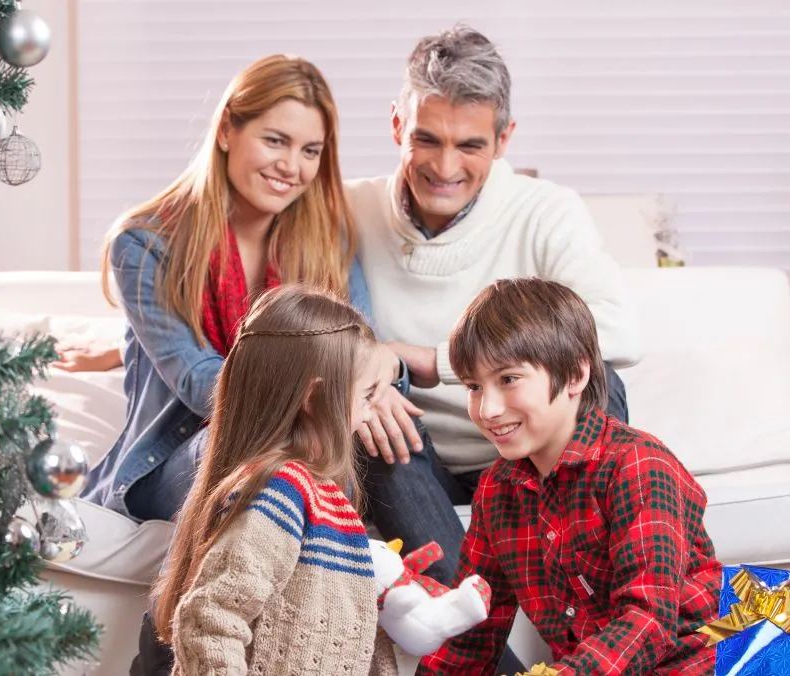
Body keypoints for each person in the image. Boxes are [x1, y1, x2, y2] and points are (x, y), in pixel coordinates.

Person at [77, 54, 422, 675]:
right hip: (184, 449)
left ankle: (470, 648)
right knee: (265, 449)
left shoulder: (327, 237)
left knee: (374, 429)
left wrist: (380, 381)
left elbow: (367, 348)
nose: (292, 166)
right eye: (276, 140)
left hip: (299, 428)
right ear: (228, 129)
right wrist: (335, 389)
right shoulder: (146, 242)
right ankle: (161, 661)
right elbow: (200, 380)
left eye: (311, 151)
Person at [344, 24, 643, 589]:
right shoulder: (345, 209)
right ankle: (478, 640)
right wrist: (364, 379)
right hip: (411, 461)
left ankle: (587, 591)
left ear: (504, 140)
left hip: (528, 458)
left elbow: (621, 332)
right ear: (395, 126)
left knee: (599, 378)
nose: (445, 167)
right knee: (366, 422)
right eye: (426, 139)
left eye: (470, 145)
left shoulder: (545, 210)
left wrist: (430, 359)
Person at [416, 278, 720, 675]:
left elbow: (648, 621)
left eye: (508, 379)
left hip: (713, 661)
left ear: (576, 375)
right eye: (474, 387)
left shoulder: (637, 465)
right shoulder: (497, 492)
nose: (487, 409)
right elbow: (473, 632)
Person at [153, 284, 398, 675]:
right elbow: (209, 621)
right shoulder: (280, 490)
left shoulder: (324, 496)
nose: (372, 414)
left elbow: (357, 641)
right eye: (367, 396)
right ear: (314, 397)